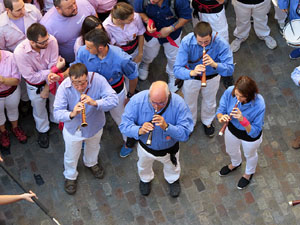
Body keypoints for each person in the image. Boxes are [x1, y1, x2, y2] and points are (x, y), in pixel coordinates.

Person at [60, 28, 138, 157]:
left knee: (121, 117)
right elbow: (75, 67)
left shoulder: (121, 58)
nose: (86, 49)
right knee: (87, 115)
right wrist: (61, 75)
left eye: (90, 47)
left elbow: (133, 76)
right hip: (91, 91)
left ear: (101, 47)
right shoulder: (83, 52)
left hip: (115, 91)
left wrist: (130, 95)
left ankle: (129, 140)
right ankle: (87, 136)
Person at [119, 81, 193, 197]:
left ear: (168, 96)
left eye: (161, 103)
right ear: (149, 95)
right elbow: (124, 126)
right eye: (153, 102)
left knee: (172, 166)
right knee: (143, 165)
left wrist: (167, 127)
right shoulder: (137, 101)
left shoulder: (179, 104)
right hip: (145, 148)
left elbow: (185, 134)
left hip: (169, 149)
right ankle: (145, 179)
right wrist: (139, 130)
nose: (156, 107)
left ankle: (172, 179)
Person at [53, 63, 118, 194]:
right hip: (74, 129)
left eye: (83, 83)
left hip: (94, 125)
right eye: (75, 84)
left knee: (94, 147)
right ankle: (70, 175)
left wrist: (95, 102)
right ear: (70, 79)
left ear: (87, 77)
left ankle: (91, 163)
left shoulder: (97, 80)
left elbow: (114, 100)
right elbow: (57, 113)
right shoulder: (64, 87)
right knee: (71, 154)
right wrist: (72, 113)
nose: (80, 87)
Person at [173, 21, 234, 136]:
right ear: (195, 36)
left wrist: (214, 64)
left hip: (212, 77)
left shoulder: (220, 43)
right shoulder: (187, 41)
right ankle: (190, 123)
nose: (203, 45)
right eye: (200, 42)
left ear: (211, 35)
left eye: (206, 42)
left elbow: (230, 69)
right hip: (192, 78)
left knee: (210, 102)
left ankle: (208, 122)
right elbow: (177, 69)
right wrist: (192, 72)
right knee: (189, 102)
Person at [14, 23, 65, 148]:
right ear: (31, 41)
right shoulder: (19, 53)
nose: (46, 43)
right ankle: (43, 129)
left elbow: (53, 63)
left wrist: (48, 85)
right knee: (38, 107)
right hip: (35, 86)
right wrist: (54, 69)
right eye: (42, 42)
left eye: (47, 39)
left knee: (56, 101)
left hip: (53, 79)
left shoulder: (52, 40)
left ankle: (56, 119)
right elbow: (31, 77)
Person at [216, 76, 265, 189]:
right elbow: (220, 110)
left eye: (240, 96)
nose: (237, 97)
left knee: (250, 155)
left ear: (249, 95)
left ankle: (248, 173)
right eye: (236, 94)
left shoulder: (259, 103)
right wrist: (221, 117)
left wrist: (243, 120)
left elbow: (255, 130)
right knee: (230, 150)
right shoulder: (230, 91)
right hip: (232, 129)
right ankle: (235, 163)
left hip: (249, 136)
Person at [134, 0, 192, 92]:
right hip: (151, 33)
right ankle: (145, 63)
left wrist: (171, 28)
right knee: (148, 52)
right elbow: (138, 11)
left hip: (172, 34)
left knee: (173, 56)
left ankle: (173, 74)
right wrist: (147, 20)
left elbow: (186, 17)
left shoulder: (179, 1)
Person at [103, 2, 145, 90]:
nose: (133, 19)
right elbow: (111, 46)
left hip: (135, 49)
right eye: (130, 20)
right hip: (121, 55)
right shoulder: (106, 26)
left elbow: (141, 33)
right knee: (125, 75)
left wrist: (140, 53)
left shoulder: (135, 17)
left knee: (134, 70)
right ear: (119, 20)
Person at [0, 50, 27, 153]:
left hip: (12, 91)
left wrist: (3, 80)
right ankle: (3, 132)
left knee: (13, 109)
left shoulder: (10, 57)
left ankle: (15, 127)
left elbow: (16, 80)